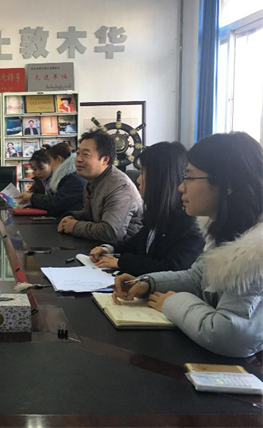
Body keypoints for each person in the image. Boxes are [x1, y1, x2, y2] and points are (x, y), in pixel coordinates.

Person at [112, 132, 263, 357]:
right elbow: (196, 278)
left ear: (227, 184)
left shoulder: (254, 251)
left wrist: (172, 302)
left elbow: (231, 335)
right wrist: (147, 283)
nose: (181, 188)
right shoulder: (227, 231)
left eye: (189, 177)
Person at [90, 142, 204, 275]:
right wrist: (110, 248)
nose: (138, 180)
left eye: (142, 173)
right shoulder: (160, 213)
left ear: (160, 178)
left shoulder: (190, 223)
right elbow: (137, 243)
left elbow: (173, 268)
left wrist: (122, 262)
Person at [57, 129, 142, 242]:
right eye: (77, 153)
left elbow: (111, 232)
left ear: (105, 160)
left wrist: (74, 226)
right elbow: (92, 214)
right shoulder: (94, 180)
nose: (78, 159)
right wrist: (71, 216)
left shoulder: (119, 187)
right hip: (100, 246)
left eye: (85, 154)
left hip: (123, 249)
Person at [16, 143, 85, 216]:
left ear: (58, 159)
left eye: (50, 161)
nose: (50, 166)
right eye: (34, 169)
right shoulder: (66, 177)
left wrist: (32, 198)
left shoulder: (73, 179)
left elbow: (56, 203)